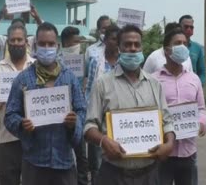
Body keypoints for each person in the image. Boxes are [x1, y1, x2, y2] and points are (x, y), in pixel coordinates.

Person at [84, 25, 175, 185]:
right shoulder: (102, 84)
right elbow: (89, 127)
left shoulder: (155, 84)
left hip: (150, 174)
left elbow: (167, 122)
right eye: (127, 44)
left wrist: (169, 144)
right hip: (113, 174)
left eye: (136, 44)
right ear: (119, 48)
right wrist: (104, 141)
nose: (132, 48)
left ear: (141, 47)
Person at [4, 22, 86, 185]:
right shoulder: (23, 79)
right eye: (42, 44)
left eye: (51, 44)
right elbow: (10, 116)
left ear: (58, 46)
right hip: (34, 162)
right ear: (35, 45)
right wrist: (21, 124)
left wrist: (74, 122)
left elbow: (82, 111)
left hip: (64, 162)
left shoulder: (70, 78)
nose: (47, 48)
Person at [153, 29, 206, 185]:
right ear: (166, 50)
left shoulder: (194, 79)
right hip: (163, 153)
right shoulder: (153, 80)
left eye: (185, 43)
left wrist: (202, 122)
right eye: (177, 43)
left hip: (188, 152)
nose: (182, 46)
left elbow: (201, 108)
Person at [0, 24, 35, 185]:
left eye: (19, 39)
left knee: (34, 179)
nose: (16, 43)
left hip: (34, 135)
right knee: (8, 180)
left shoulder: (36, 67)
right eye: (12, 40)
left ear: (26, 42)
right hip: (7, 136)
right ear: (7, 42)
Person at [84, 25, 120, 185]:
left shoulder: (124, 63)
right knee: (97, 163)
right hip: (98, 119)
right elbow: (89, 88)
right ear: (105, 40)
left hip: (119, 119)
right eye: (113, 39)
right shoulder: (95, 62)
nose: (116, 42)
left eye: (119, 39)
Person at [59, 26, 89, 185]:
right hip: (59, 113)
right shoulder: (56, 60)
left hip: (78, 112)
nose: (78, 45)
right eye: (74, 42)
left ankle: (82, 182)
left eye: (79, 41)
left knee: (81, 154)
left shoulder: (85, 60)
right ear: (65, 43)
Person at [179, 15, 206, 85]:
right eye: (186, 27)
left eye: (191, 27)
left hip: (193, 88)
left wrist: (197, 86)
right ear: (179, 27)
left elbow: (202, 73)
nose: (189, 29)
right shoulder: (173, 46)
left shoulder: (197, 48)